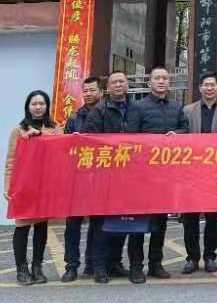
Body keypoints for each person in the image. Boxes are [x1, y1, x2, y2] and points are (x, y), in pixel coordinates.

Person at [126, 66, 189, 281]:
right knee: (138, 223)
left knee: (160, 222)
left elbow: (186, 131)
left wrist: (177, 134)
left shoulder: (177, 107)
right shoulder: (137, 107)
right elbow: (131, 138)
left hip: (166, 175)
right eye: (157, 78)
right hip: (143, 175)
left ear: (169, 83)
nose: (161, 81)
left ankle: (156, 263)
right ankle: (136, 266)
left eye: (164, 78)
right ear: (149, 82)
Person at [4, 90, 61, 285]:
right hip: (23, 184)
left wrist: (42, 136)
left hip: (45, 184)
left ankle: (37, 267)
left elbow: (61, 153)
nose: (38, 107)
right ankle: (22, 269)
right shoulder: (19, 130)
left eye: (42, 104)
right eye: (34, 104)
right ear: (28, 107)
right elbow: (11, 160)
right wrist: (8, 187)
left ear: (47, 106)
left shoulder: (55, 128)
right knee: (21, 226)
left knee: (41, 226)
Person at [85, 71, 133, 283]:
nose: (118, 85)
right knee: (101, 224)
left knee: (121, 222)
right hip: (104, 176)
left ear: (127, 85)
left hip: (127, 176)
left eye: (122, 81)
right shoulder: (98, 111)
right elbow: (91, 142)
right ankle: (99, 267)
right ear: (107, 88)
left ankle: (115, 262)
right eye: (114, 82)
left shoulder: (135, 109)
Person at [181, 72, 217, 275]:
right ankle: (192, 258)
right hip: (191, 171)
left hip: (215, 173)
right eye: (206, 85)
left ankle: (210, 256)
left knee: (213, 217)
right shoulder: (188, 111)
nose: (209, 88)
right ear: (200, 88)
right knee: (190, 217)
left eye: (213, 85)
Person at [61, 76, 103, 283]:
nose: (88, 94)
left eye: (92, 90)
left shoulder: (107, 115)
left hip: (100, 177)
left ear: (101, 92)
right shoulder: (74, 118)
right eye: (85, 91)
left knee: (98, 224)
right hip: (77, 179)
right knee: (72, 225)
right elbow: (64, 148)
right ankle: (71, 266)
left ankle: (92, 264)